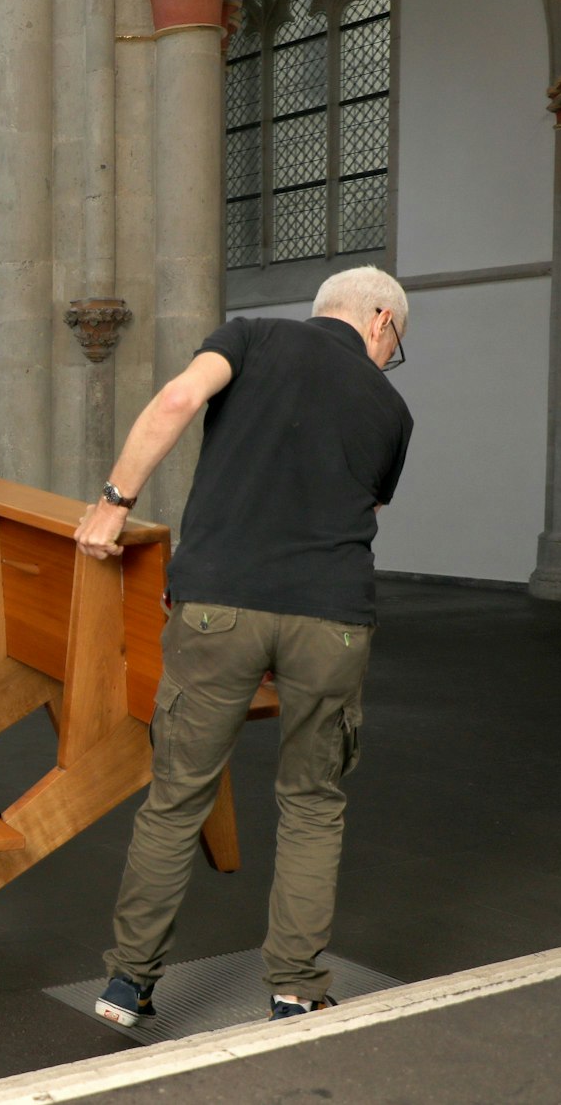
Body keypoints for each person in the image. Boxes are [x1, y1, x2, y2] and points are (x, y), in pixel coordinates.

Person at [76, 266, 413, 1026]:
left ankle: (127, 983)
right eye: (397, 345)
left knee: (178, 794)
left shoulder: (251, 338)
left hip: (217, 606)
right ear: (381, 321)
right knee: (312, 802)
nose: (391, 359)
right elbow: (368, 505)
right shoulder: (391, 406)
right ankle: (295, 988)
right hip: (332, 616)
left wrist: (113, 502)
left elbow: (177, 399)